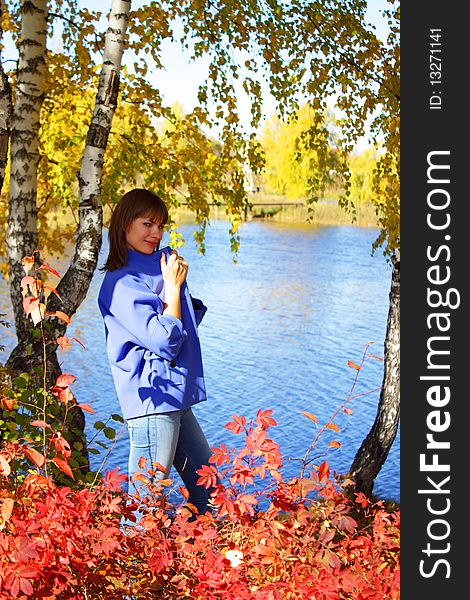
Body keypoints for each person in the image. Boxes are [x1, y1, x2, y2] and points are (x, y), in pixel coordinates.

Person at [98, 188, 213, 518]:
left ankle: (193, 563)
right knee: (145, 505)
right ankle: (129, 570)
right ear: (124, 225)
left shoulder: (155, 268)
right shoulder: (121, 283)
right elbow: (165, 341)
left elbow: (186, 324)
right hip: (152, 403)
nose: (156, 233)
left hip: (174, 398)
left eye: (161, 226)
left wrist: (175, 287)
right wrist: (173, 289)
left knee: (211, 490)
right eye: (147, 224)